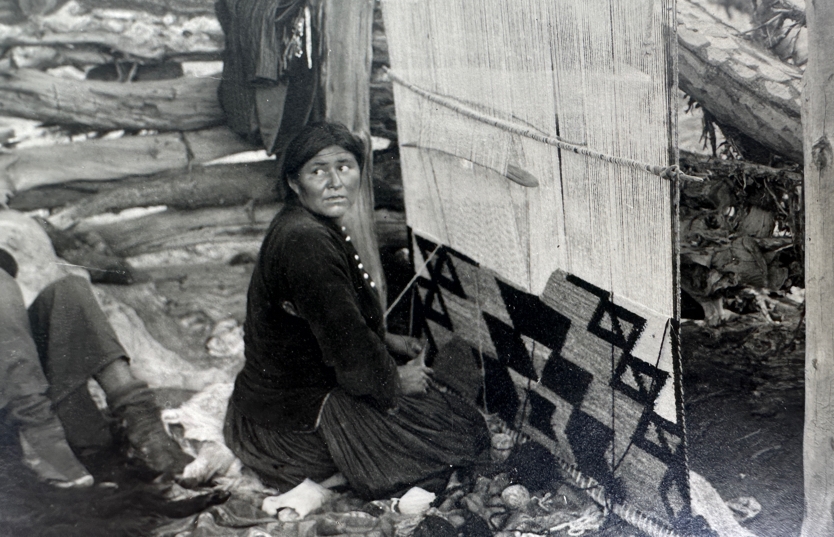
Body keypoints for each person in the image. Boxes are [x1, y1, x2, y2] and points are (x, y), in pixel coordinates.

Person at [225, 121, 490, 499]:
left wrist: (385, 339)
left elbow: (331, 317)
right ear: (295, 183)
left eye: (344, 167)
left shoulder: (308, 223)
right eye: (318, 171)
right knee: (458, 435)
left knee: (451, 422)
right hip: (290, 425)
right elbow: (345, 342)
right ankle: (331, 469)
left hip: (273, 404)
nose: (335, 182)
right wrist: (395, 381)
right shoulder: (306, 240)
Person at [0, 209, 191, 488]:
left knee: (70, 292)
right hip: (17, 414)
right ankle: (40, 438)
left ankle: (144, 427)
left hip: (22, 389)